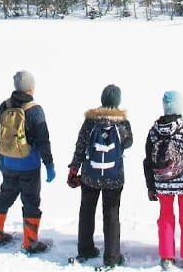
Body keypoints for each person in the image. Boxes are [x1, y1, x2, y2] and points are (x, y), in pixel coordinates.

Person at [67, 84, 133, 268]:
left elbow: (80, 146)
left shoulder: (90, 121)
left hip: (90, 175)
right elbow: (128, 142)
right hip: (114, 177)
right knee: (111, 213)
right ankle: (112, 257)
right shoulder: (121, 122)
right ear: (117, 101)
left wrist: (74, 169)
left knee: (87, 211)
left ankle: (85, 249)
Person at [0, 70, 56, 253]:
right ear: (31, 88)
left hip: (9, 162)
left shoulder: (4, 106)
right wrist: (49, 165)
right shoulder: (35, 110)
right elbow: (43, 140)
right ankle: (30, 242)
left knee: (5, 196)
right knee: (31, 202)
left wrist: (1, 159)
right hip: (29, 164)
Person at [143, 91, 183, 270]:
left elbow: (148, 161)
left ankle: (167, 256)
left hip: (162, 183)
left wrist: (151, 186)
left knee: (165, 218)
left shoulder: (153, 131)